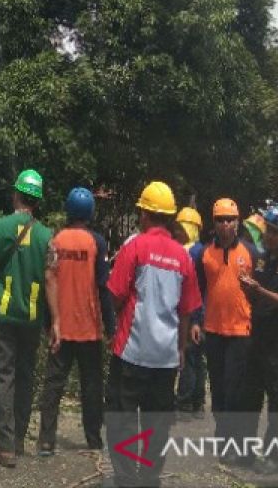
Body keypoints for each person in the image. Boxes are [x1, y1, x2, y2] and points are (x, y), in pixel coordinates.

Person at [105, 181, 202, 488]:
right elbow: (187, 310)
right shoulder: (183, 256)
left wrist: (112, 326)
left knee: (121, 417)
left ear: (145, 214)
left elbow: (116, 294)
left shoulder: (134, 247)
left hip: (131, 351)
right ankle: (148, 478)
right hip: (165, 357)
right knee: (157, 422)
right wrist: (181, 350)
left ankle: (125, 478)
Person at [0, 169, 53, 467]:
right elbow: (51, 282)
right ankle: (19, 438)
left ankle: (6, 445)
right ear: (37, 201)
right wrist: (55, 321)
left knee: (3, 375)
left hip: (3, 313)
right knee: (25, 375)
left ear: (17, 195)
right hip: (32, 317)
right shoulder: (47, 237)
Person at [37, 187, 115, 455]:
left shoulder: (56, 240)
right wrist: (111, 325)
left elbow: (48, 282)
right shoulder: (97, 243)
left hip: (61, 326)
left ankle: (46, 440)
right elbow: (103, 287)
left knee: (53, 385)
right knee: (91, 386)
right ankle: (93, 439)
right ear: (90, 212)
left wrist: (48, 323)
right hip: (89, 328)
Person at [195, 197, 258, 454]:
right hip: (213, 330)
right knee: (218, 388)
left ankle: (234, 441)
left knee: (235, 390)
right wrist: (196, 322)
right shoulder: (204, 254)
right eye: (220, 220)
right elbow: (198, 291)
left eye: (229, 219)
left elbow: (258, 292)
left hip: (240, 332)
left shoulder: (250, 253)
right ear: (214, 223)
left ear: (238, 222)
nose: (225, 224)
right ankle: (222, 439)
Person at [236, 205, 278, 475]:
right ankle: (245, 452)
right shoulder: (262, 260)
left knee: (277, 402)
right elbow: (255, 294)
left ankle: (273, 457)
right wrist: (248, 289)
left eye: (275, 232)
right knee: (249, 397)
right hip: (256, 337)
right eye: (268, 231)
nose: (270, 237)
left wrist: (260, 291)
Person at [174, 207, 207, 419]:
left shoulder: (188, 252)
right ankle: (198, 400)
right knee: (198, 357)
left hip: (190, 311)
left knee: (188, 355)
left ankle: (185, 400)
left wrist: (193, 318)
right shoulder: (201, 250)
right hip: (201, 310)